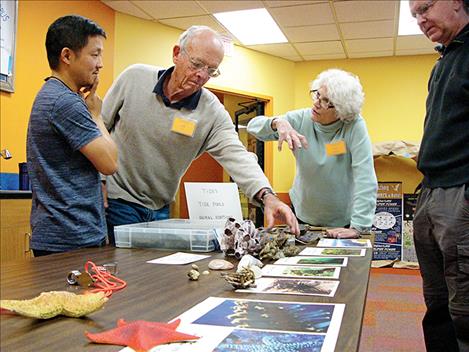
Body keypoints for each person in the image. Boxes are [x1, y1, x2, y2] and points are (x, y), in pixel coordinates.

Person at [102, 25, 299, 244]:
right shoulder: (134, 78)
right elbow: (98, 128)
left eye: (211, 70)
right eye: (196, 64)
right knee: (123, 269)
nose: (202, 76)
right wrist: (99, 181)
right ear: (177, 54)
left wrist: (268, 197)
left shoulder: (211, 112)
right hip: (116, 198)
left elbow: (237, 156)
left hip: (160, 207)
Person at [247, 69, 377, 239]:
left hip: (342, 221)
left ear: (341, 109)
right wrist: (277, 122)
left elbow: (365, 177)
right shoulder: (300, 119)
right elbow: (253, 126)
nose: (316, 103)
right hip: (302, 216)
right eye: (317, 95)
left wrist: (359, 226)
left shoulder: (354, 126)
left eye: (326, 101)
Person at [27, 15, 118, 256]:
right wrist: (96, 115)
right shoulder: (66, 103)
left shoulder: (52, 94)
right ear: (67, 56)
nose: (100, 64)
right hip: (71, 237)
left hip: (61, 235)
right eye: (95, 54)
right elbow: (109, 163)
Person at [409, 0, 469, 351]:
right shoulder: (444, 59)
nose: (421, 19)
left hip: (459, 194)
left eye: (426, 7)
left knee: (464, 310)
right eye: (415, 14)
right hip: (431, 191)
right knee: (437, 304)